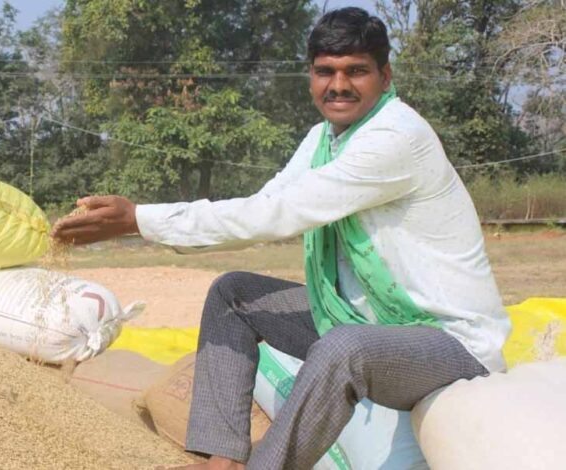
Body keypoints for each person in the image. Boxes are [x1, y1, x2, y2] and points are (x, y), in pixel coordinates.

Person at [52, 7, 510, 470]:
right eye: (325, 72)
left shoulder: (395, 137)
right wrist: (143, 222)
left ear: (385, 76)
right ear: (310, 77)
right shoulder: (322, 139)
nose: (338, 85)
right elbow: (267, 201)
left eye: (356, 71)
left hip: (447, 341)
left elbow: (278, 215)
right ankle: (223, 461)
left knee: (344, 348)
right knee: (233, 294)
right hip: (363, 318)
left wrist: (140, 220)